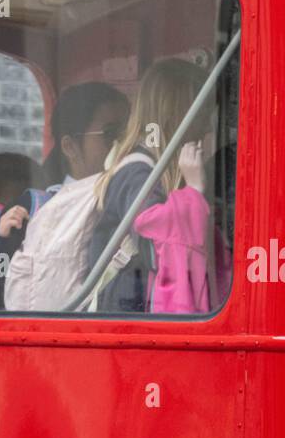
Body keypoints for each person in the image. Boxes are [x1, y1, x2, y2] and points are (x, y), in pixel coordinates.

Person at [0, 82, 130, 310]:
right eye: (111, 133)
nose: (124, 143)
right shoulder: (33, 208)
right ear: (70, 147)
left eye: (129, 132)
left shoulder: (133, 197)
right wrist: (4, 245)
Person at [87, 59, 211, 313]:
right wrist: (194, 192)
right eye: (203, 116)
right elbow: (158, 249)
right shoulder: (135, 173)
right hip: (125, 314)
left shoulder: (145, 170)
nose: (208, 128)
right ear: (178, 116)